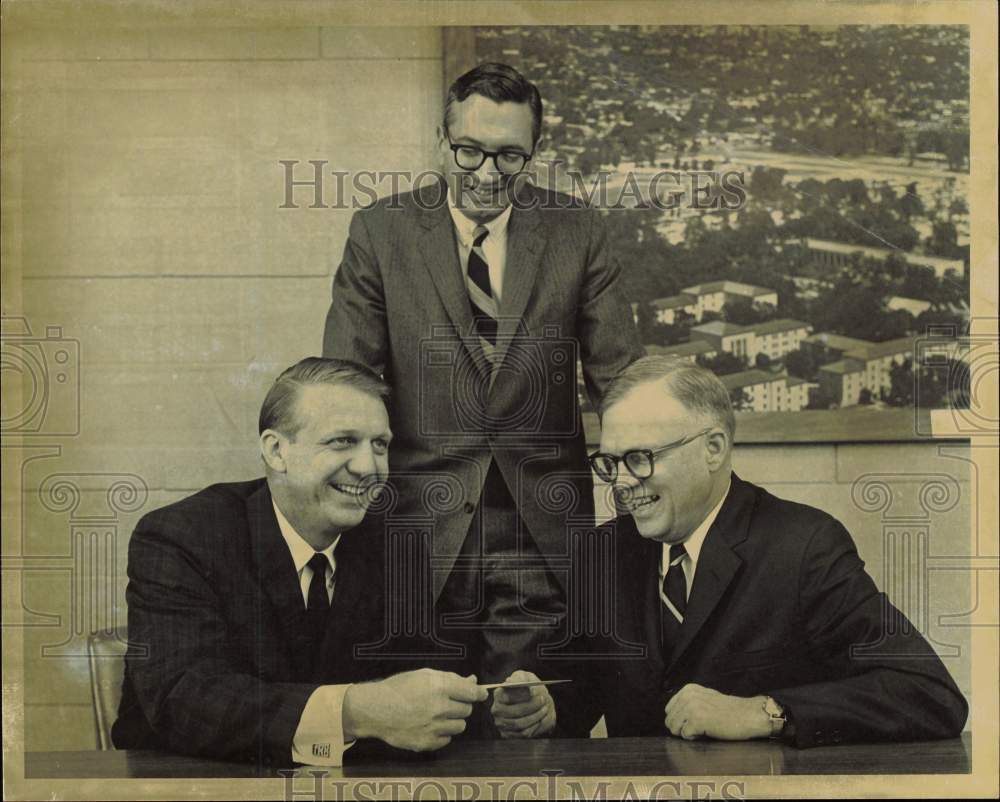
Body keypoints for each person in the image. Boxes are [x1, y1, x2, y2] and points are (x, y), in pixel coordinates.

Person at [322, 62, 643, 735]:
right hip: (412, 526)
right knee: (416, 729)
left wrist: (649, 465)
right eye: (469, 151)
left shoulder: (578, 231)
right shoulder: (380, 232)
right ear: (441, 143)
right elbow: (346, 381)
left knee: (525, 727)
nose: (488, 173)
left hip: (541, 529)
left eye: (510, 156)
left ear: (534, 153)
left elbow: (619, 379)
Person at [568, 355, 967, 746]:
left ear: (713, 448)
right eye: (610, 462)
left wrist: (766, 713)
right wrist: (544, 705)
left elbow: (930, 695)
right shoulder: (601, 554)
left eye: (639, 459)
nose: (619, 483)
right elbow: (580, 690)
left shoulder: (805, 547)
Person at [112, 358, 493, 764]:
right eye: (342, 441)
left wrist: (495, 705)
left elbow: (429, 686)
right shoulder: (182, 537)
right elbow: (183, 698)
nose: (369, 468)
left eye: (379, 445)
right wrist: (357, 711)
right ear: (277, 451)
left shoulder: (395, 545)